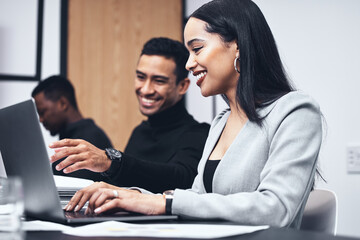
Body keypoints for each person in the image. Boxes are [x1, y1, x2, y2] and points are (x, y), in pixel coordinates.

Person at [61, 0, 323, 228]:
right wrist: (123, 195)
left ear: (238, 46)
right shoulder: (221, 122)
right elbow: (195, 196)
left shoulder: (295, 111)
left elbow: (275, 208)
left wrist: (159, 202)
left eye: (197, 49)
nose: (189, 64)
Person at [48, 37, 210, 194]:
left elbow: (182, 178)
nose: (145, 89)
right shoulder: (140, 132)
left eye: (159, 81)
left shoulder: (198, 134)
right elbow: (123, 186)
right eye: (140, 77)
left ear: (182, 86)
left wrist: (111, 161)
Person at [32, 75, 113, 181]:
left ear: (63, 103)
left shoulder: (91, 138)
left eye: (42, 112)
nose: (41, 119)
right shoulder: (73, 137)